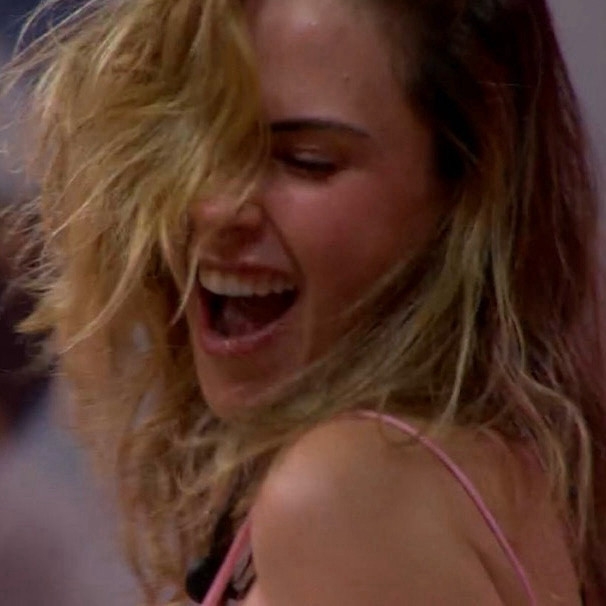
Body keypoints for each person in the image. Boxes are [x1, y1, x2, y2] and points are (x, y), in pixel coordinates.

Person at [4, 0, 605, 604]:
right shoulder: (504, 472)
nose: (217, 207)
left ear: (466, 185)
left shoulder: (350, 495)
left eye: (305, 162)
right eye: (196, 147)